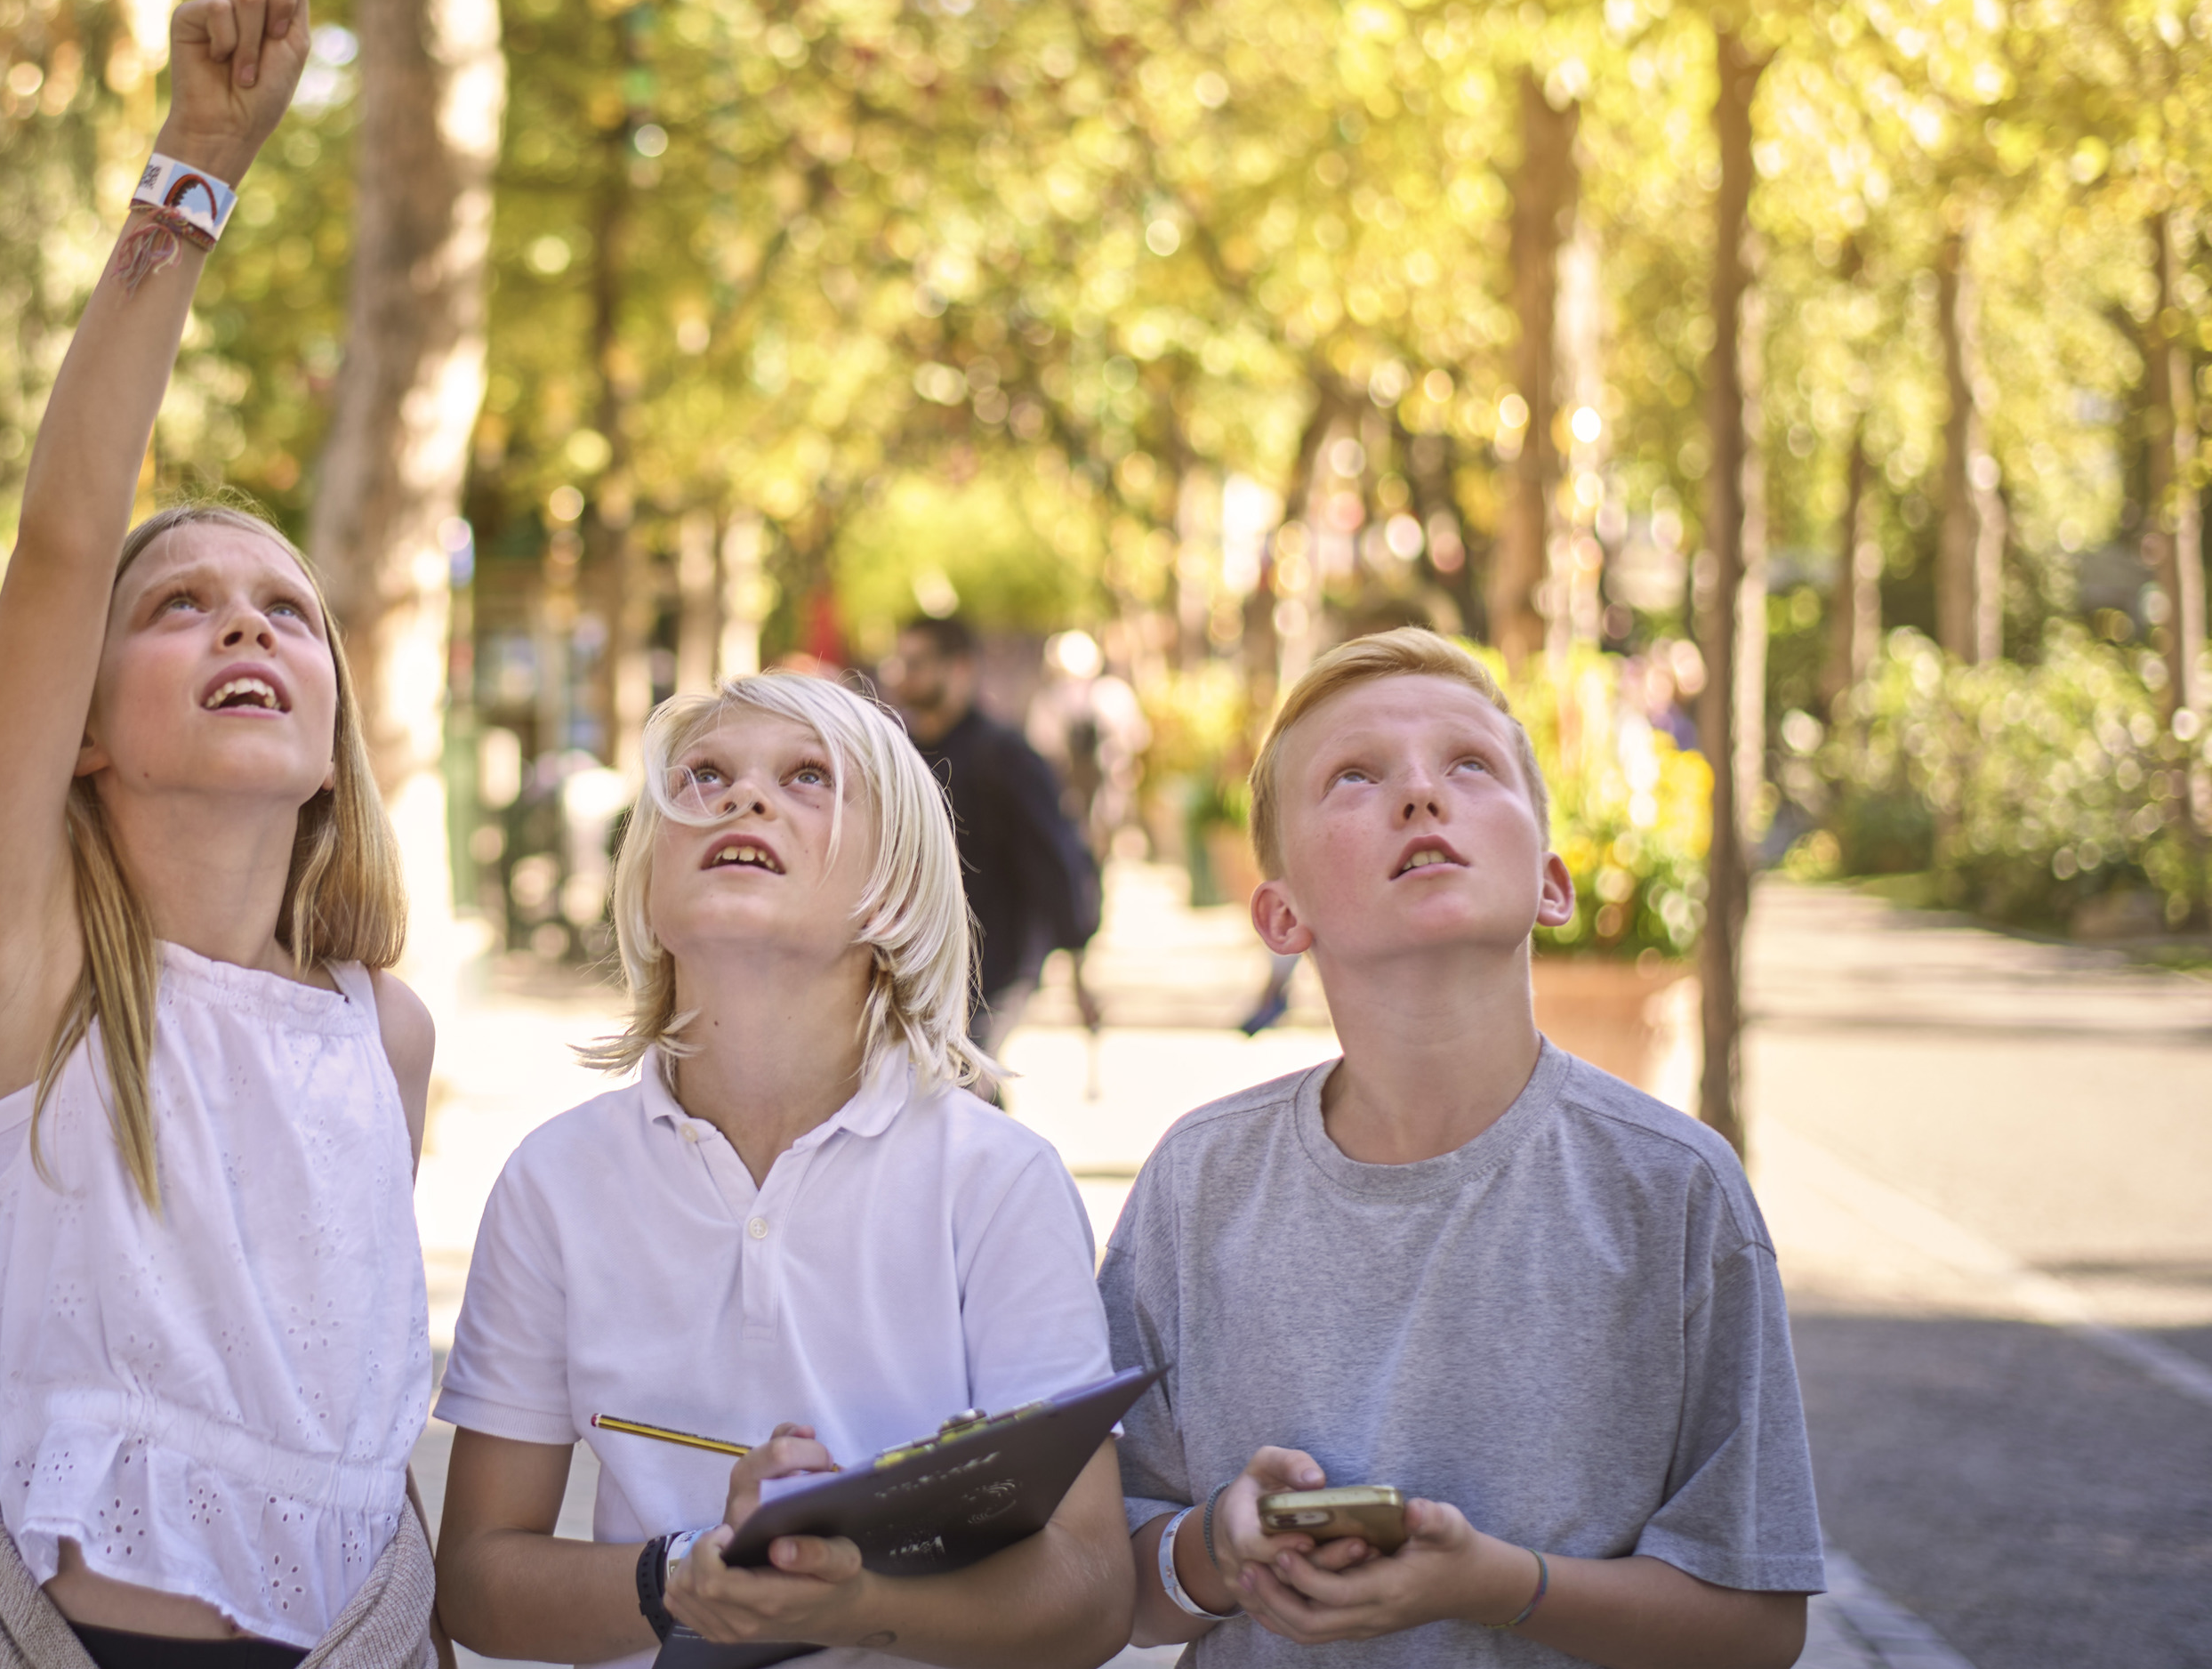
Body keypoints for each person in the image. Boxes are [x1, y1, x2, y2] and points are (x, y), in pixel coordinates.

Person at [0, 0, 446, 1669]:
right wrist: (193, 172)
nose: (248, 627)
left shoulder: (386, 1034)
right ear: (83, 715)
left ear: (329, 734)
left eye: (288, 611)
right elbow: (67, 538)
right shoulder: (30, 984)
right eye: (184, 607)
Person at [1098, 629, 1822, 1665]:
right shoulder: (1196, 1183)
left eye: (1470, 765)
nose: (1421, 796)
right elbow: (1102, 1589)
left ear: (1553, 886)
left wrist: (1504, 1588)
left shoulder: (1675, 1190)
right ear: (1282, 915)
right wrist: (1218, 1547)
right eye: (1355, 776)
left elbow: (1756, 1626)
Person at [433, 671, 1138, 1669]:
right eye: (704, 776)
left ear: (895, 892)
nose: (744, 796)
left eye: (809, 778)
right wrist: (680, 1577)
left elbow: (1095, 1590)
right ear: (646, 882)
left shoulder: (1000, 1181)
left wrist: (851, 1603)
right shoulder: (552, 1181)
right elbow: (475, 1578)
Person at [880, 617, 1101, 1066]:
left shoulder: (1006, 755)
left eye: (917, 663)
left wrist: (1077, 965)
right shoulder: (896, 752)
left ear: (959, 668)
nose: (905, 675)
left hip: (996, 959)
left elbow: (1055, 860)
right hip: (914, 955)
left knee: (968, 1071)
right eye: (900, 663)